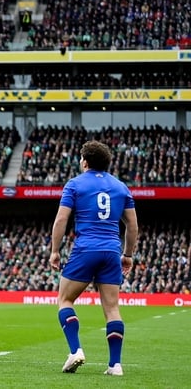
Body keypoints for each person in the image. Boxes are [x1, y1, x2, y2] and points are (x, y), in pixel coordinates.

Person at [49, 140, 138, 376]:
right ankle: (115, 365)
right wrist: (127, 254)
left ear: (85, 161)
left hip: (86, 248)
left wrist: (55, 251)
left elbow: (61, 220)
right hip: (111, 251)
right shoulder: (121, 187)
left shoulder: (75, 184)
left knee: (65, 300)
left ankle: (75, 350)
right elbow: (132, 225)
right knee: (112, 309)